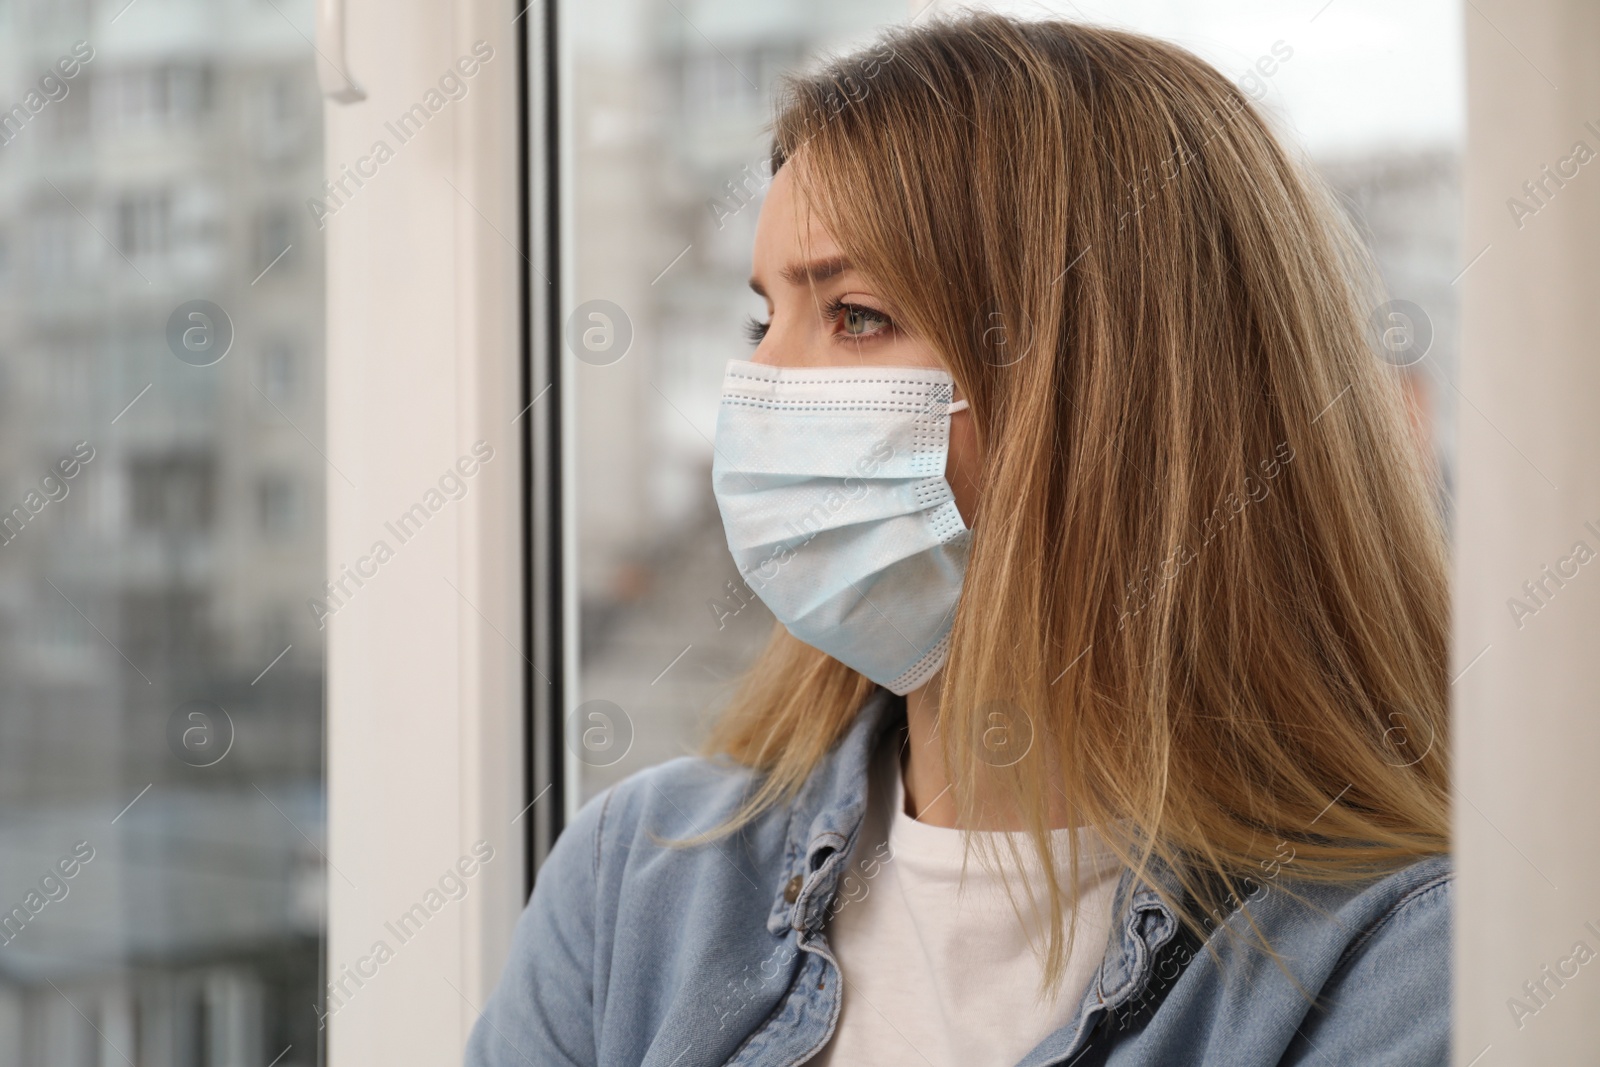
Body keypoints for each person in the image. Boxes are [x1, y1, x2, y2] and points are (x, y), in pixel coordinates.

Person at [466, 13, 1451, 1066]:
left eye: (852, 315)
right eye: (763, 322)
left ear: (1115, 392)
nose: (761, 390)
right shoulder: (638, 876)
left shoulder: (1401, 959)